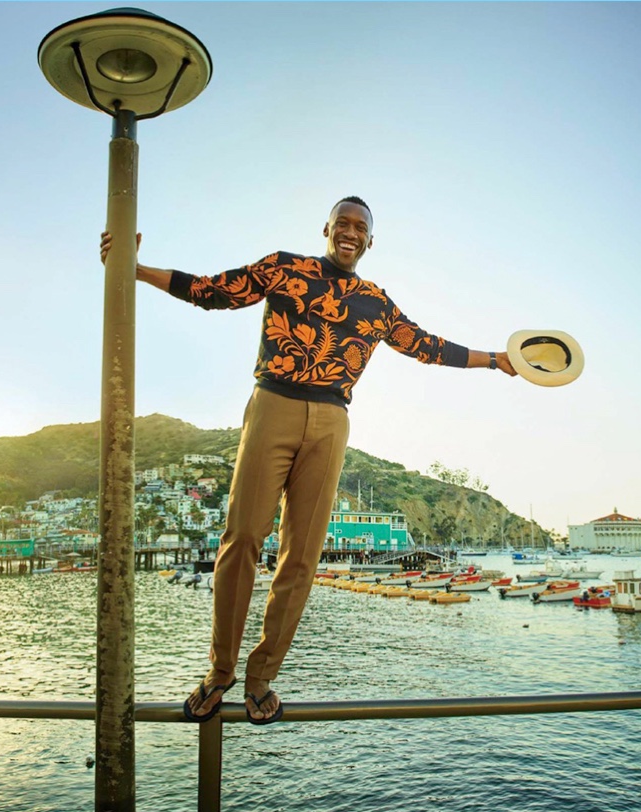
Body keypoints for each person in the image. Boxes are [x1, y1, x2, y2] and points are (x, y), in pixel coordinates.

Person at [100, 196, 516, 724]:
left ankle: (260, 679)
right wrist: (132, 269)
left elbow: (426, 346)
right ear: (327, 228)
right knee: (242, 538)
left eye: (360, 227)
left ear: (369, 241)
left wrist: (494, 361)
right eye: (342, 222)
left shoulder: (376, 303)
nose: (350, 232)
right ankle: (219, 672)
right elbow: (213, 292)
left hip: (332, 420)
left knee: (302, 557)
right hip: (273, 403)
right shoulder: (285, 268)